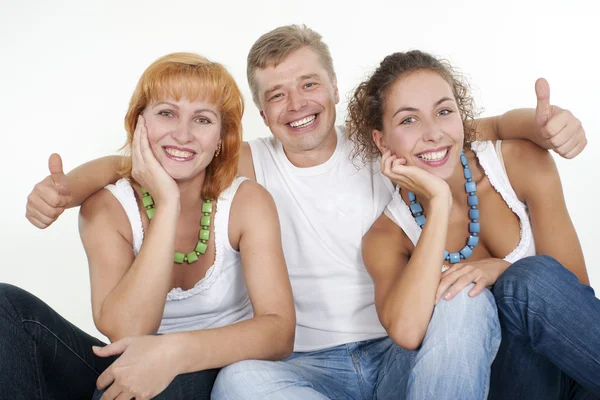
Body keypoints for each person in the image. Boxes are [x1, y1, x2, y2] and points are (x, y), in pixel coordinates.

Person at [24, 26, 588, 399]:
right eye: (276, 95)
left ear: (337, 89)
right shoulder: (248, 164)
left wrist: (537, 124)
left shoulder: (386, 146)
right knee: (240, 383)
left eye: (309, 84)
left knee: (464, 307)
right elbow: (156, 158)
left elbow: (462, 131)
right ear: (260, 115)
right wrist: (69, 188)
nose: (296, 106)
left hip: (401, 353)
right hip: (306, 367)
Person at [2, 52, 295, 400]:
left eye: (202, 120)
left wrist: (170, 353)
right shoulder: (107, 208)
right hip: (131, 361)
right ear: (140, 121)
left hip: (219, 366)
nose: (182, 134)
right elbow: (129, 330)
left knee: (146, 381)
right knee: (6, 306)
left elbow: (279, 333)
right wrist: (167, 202)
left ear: (221, 138)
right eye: (167, 113)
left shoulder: (247, 202)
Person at [347, 49, 600, 398]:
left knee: (531, 277)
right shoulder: (387, 236)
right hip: (504, 384)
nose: (433, 133)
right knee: (513, 281)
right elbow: (406, 332)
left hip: (572, 369)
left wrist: (501, 270)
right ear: (381, 140)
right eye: (408, 120)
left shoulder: (518, 162)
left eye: (444, 112)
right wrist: (437, 203)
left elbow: (574, 299)